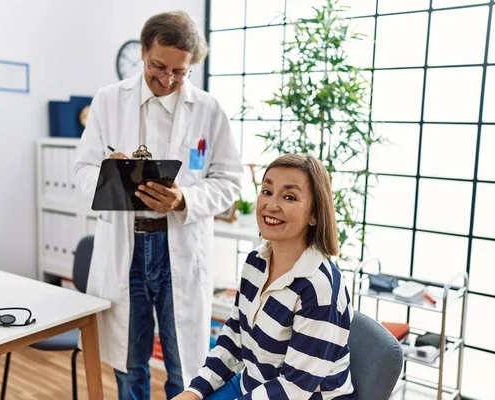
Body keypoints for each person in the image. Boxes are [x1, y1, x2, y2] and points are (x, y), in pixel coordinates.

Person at [73, 10, 243, 400]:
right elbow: (82, 170)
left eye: (179, 72)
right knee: (129, 364)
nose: (167, 79)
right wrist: (106, 175)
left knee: (183, 365)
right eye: (157, 66)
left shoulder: (208, 110)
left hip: (177, 245)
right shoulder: (108, 101)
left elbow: (230, 181)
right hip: (126, 245)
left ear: (192, 66)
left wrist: (186, 199)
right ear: (143, 52)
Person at [175, 154, 357, 400]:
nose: (271, 205)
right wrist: (194, 391)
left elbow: (294, 388)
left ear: (314, 214)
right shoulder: (255, 263)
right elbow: (233, 338)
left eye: (289, 196)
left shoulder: (320, 288)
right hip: (252, 385)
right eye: (267, 191)